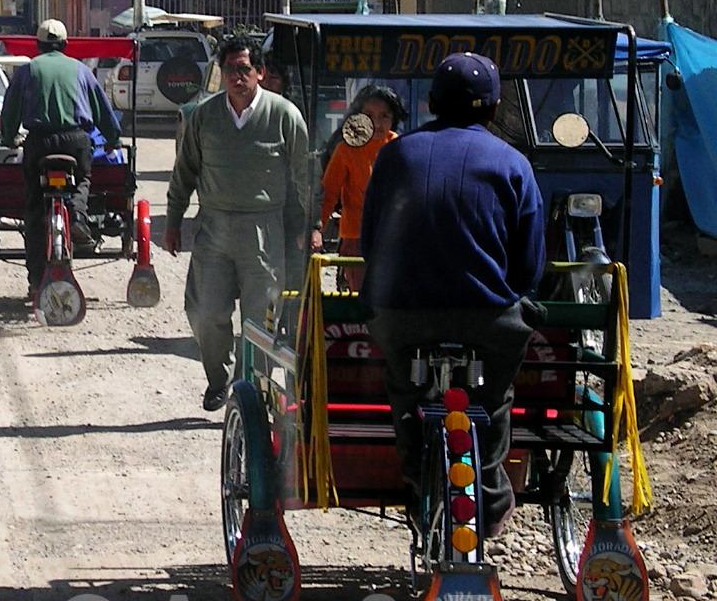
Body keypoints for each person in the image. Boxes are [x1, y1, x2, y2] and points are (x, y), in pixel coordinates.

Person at [359, 53, 545, 536]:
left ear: (433, 103)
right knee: (496, 396)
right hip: (486, 319)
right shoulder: (514, 164)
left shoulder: (396, 155)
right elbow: (529, 267)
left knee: (405, 389)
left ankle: (417, 480)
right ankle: (493, 492)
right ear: (493, 108)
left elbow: (372, 239)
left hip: (403, 316)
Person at [164, 35, 309, 412]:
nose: (236, 76)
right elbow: (185, 171)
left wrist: (311, 226)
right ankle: (218, 380)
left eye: (244, 69)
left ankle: (254, 390)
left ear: (259, 73)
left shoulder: (283, 115)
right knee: (205, 311)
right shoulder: (204, 117)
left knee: (261, 320)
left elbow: (305, 177)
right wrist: (174, 219)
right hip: (214, 228)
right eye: (229, 69)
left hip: (264, 231)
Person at [0, 19, 123, 295]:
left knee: (33, 208)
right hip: (75, 141)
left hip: (39, 142)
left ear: (38, 45)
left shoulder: (28, 70)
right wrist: (113, 139)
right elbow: (103, 111)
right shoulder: (81, 70)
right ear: (66, 45)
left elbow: (10, 112)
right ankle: (77, 213)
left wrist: (8, 138)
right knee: (83, 177)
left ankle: (35, 281)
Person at [311, 85, 407, 290]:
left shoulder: (400, 147)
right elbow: (328, 193)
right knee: (360, 302)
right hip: (355, 240)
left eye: (384, 116)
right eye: (369, 115)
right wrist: (316, 228)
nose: (377, 123)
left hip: (391, 239)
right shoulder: (346, 149)